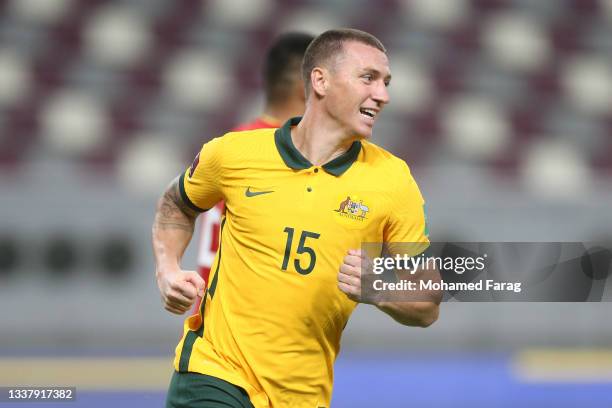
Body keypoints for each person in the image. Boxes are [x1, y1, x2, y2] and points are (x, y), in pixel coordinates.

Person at [152, 28, 440, 408]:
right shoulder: (234, 153)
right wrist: (168, 269)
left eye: (386, 83)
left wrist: (378, 288)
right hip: (214, 373)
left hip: (302, 395)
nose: (383, 95)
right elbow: (177, 203)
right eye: (368, 78)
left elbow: (429, 303)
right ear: (320, 80)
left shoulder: (393, 181)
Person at [195, 32, 314, 301]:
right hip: (247, 333)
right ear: (306, 87)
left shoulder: (232, 144)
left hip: (209, 324)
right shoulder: (287, 158)